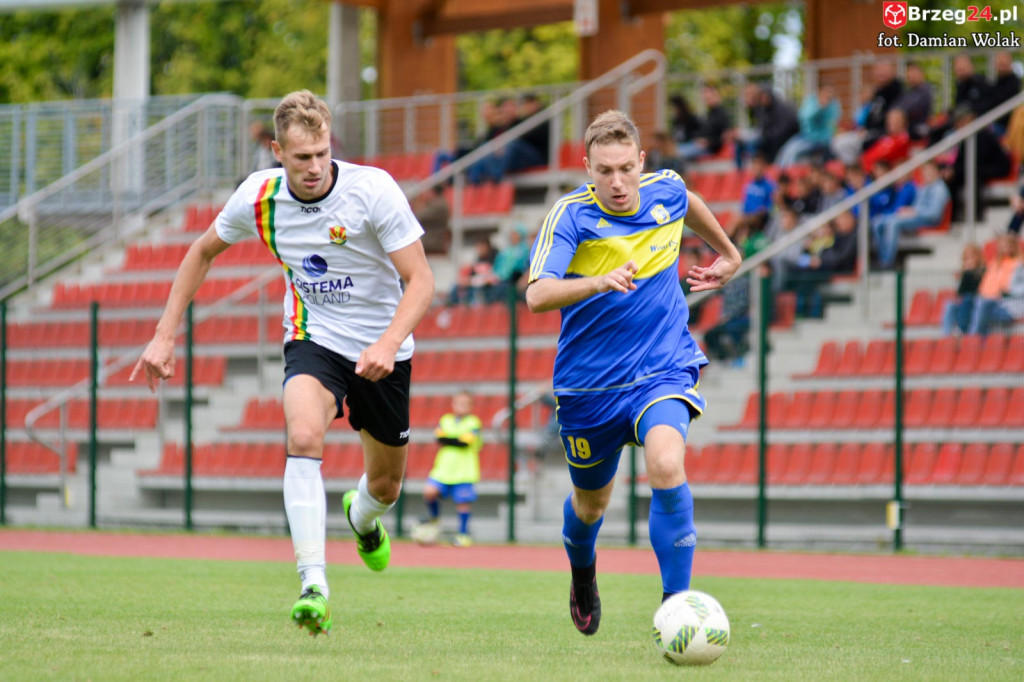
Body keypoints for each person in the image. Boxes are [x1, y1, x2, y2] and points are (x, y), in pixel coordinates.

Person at [130, 90, 435, 637]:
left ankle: (361, 519)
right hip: (313, 339)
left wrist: (389, 342)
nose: (315, 166)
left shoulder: (373, 191)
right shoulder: (258, 197)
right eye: (301, 157)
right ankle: (313, 582)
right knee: (302, 432)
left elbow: (421, 281)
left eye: (321, 152)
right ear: (277, 152)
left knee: (386, 487)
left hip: (385, 350)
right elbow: (200, 252)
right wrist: (162, 336)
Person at [525, 110, 742, 636]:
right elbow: (536, 294)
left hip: (661, 367)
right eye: (604, 171)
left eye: (626, 168)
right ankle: (582, 571)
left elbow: (687, 203)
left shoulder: (666, 189)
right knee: (591, 504)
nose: (617, 183)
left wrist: (729, 255)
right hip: (589, 385)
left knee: (666, 463)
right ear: (587, 167)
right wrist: (598, 281)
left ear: (642, 161)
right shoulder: (571, 216)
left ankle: (677, 610)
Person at [416, 391, 484, 547]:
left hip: (464, 470)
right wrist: (455, 438)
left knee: (463, 503)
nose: (461, 406)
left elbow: (464, 442)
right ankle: (434, 518)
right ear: (453, 404)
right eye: (458, 403)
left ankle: (463, 534)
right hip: (443, 469)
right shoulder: (445, 420)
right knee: (429, 491)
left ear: (471, 406)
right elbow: (440, 438)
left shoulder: (474, 422)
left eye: (465, 404)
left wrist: (450, 439)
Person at [871, 159, 950, 269]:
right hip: (916, 216)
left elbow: (934, 214)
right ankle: (880, 257)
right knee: (878, 221)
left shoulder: (940, 189)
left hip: (927, 219)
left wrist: (914, 212)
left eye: (930, 170)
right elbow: (916, 206)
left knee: (893, 223)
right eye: (925, 171)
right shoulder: (924, 187)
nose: (927, 174)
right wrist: (909, 211)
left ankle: (887, 262)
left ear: (936, 171)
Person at [774, 86, 840, 168]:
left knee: (794, 151)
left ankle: (788, 172)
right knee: (786, 149)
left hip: (819, 141)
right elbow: (804, 117)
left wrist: (822, 107)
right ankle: (778, 171)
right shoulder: (812, 102)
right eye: (824, 95)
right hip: (805, 136)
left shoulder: (833, 108)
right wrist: (819, 107)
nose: (825, 98)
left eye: (828, 97)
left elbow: (830, 129)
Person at [941, 243, 986, 336]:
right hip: (966, 300)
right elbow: (961, 291)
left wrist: (969, 273)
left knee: (967, 299)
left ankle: (963, 330)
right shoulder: (965, 273)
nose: (969, 260)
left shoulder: (983, 270)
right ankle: (946, 336)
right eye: (966, 258)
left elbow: (978, 289)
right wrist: (965, 274)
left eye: (971, 257)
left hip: (977, 299)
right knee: (950, 305)